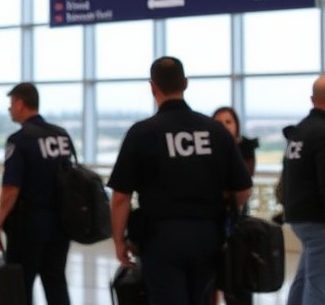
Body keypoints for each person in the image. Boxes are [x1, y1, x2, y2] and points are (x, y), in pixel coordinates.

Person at [107, 56, 252, 305]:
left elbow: (121, 197)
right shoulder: (215, 131)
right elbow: (243, 190)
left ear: (152, 87)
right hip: (208, 235)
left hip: (160, 238)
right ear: (185, 83)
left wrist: (119, 240)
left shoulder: (142, 133)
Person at [0, 82, 73, 305]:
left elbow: (10, 190)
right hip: (61, 225)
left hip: (28, 228)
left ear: (20, 104)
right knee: (56, 283)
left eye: (11, 104)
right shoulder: (62, 136)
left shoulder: (20, 140)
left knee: (20, 287)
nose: (9, 109)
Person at [283, 74, 325, 305]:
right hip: (318, 219)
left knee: (304, 278)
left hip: (298, 214)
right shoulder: (322, 131)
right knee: (319, 286)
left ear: (312, 99)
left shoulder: (300, 130)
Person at [211, 106, 259, 305]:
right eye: (219, 122)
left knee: (237, 273)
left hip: (237, 221)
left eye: (228, 122)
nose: (224, 126)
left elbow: (243, 182)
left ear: (236, 125)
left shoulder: (244, 148)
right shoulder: (206, 149)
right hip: (211, 220)